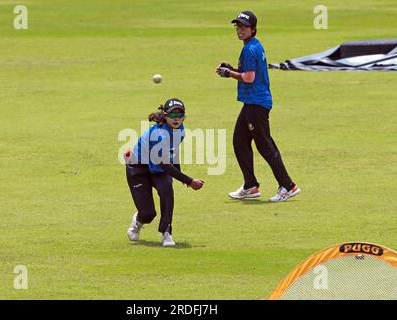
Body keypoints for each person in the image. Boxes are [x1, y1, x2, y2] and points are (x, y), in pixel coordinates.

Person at [215, 11, 300, 202]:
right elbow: (246, 72)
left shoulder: (250, 49)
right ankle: (250, 186)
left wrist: (229, 73)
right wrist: (231, 68)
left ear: (252, 29)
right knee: (239, 141)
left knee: (265, 145)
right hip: (252, 103)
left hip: (257, 104)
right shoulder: (254, 45)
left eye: (244, 27)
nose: (240, 30)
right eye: (237, 26)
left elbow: (249, 77)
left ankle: (288, 185)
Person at [125, 98, 204, 246]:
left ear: (184, 117)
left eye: (180, 115)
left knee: (167, 189)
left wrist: (179, 174)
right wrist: (189, 181)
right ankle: (138, 220)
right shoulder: (159, 135)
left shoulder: (180, 130)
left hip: (158, 169)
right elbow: (165, 165)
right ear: (165, 115)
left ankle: (166, 232)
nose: (176, 119)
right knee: (148, 214)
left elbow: (172, 152)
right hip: (138, 168)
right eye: (172, 115)